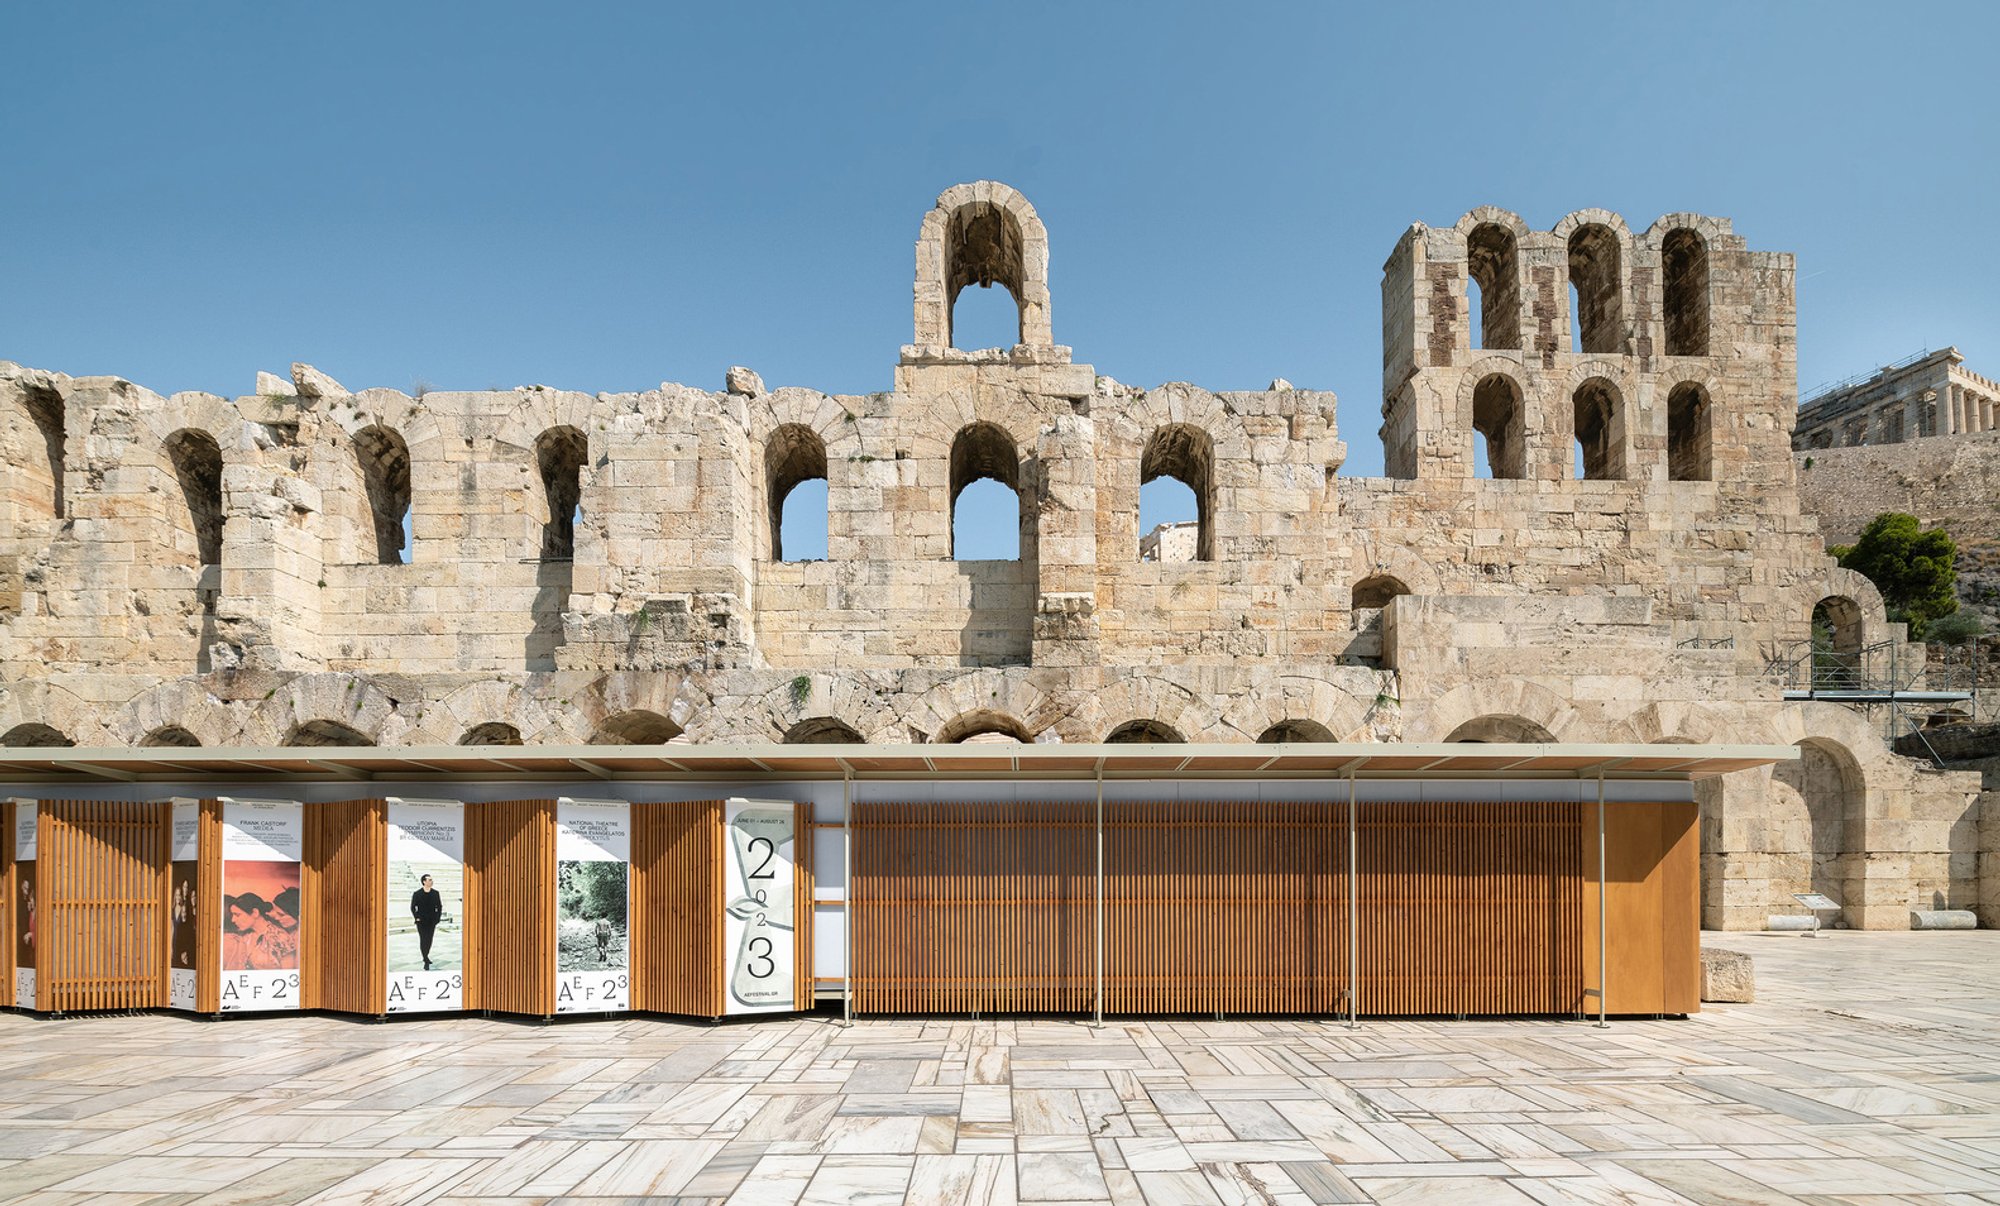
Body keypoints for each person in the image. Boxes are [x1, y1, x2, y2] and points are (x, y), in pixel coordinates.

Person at [410, 873, 444, 971]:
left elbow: (439, 906)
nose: (431, 881)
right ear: (424, 881)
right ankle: (425, 959)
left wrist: (437, 918)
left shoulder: (436, 893)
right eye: (429, 880)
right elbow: (413, 907)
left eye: (431, 880)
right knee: (423, 939)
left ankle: (426, 956)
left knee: (429, 939)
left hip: (432, 921)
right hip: (421, 921)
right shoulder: (417, 893)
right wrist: (416, 917)